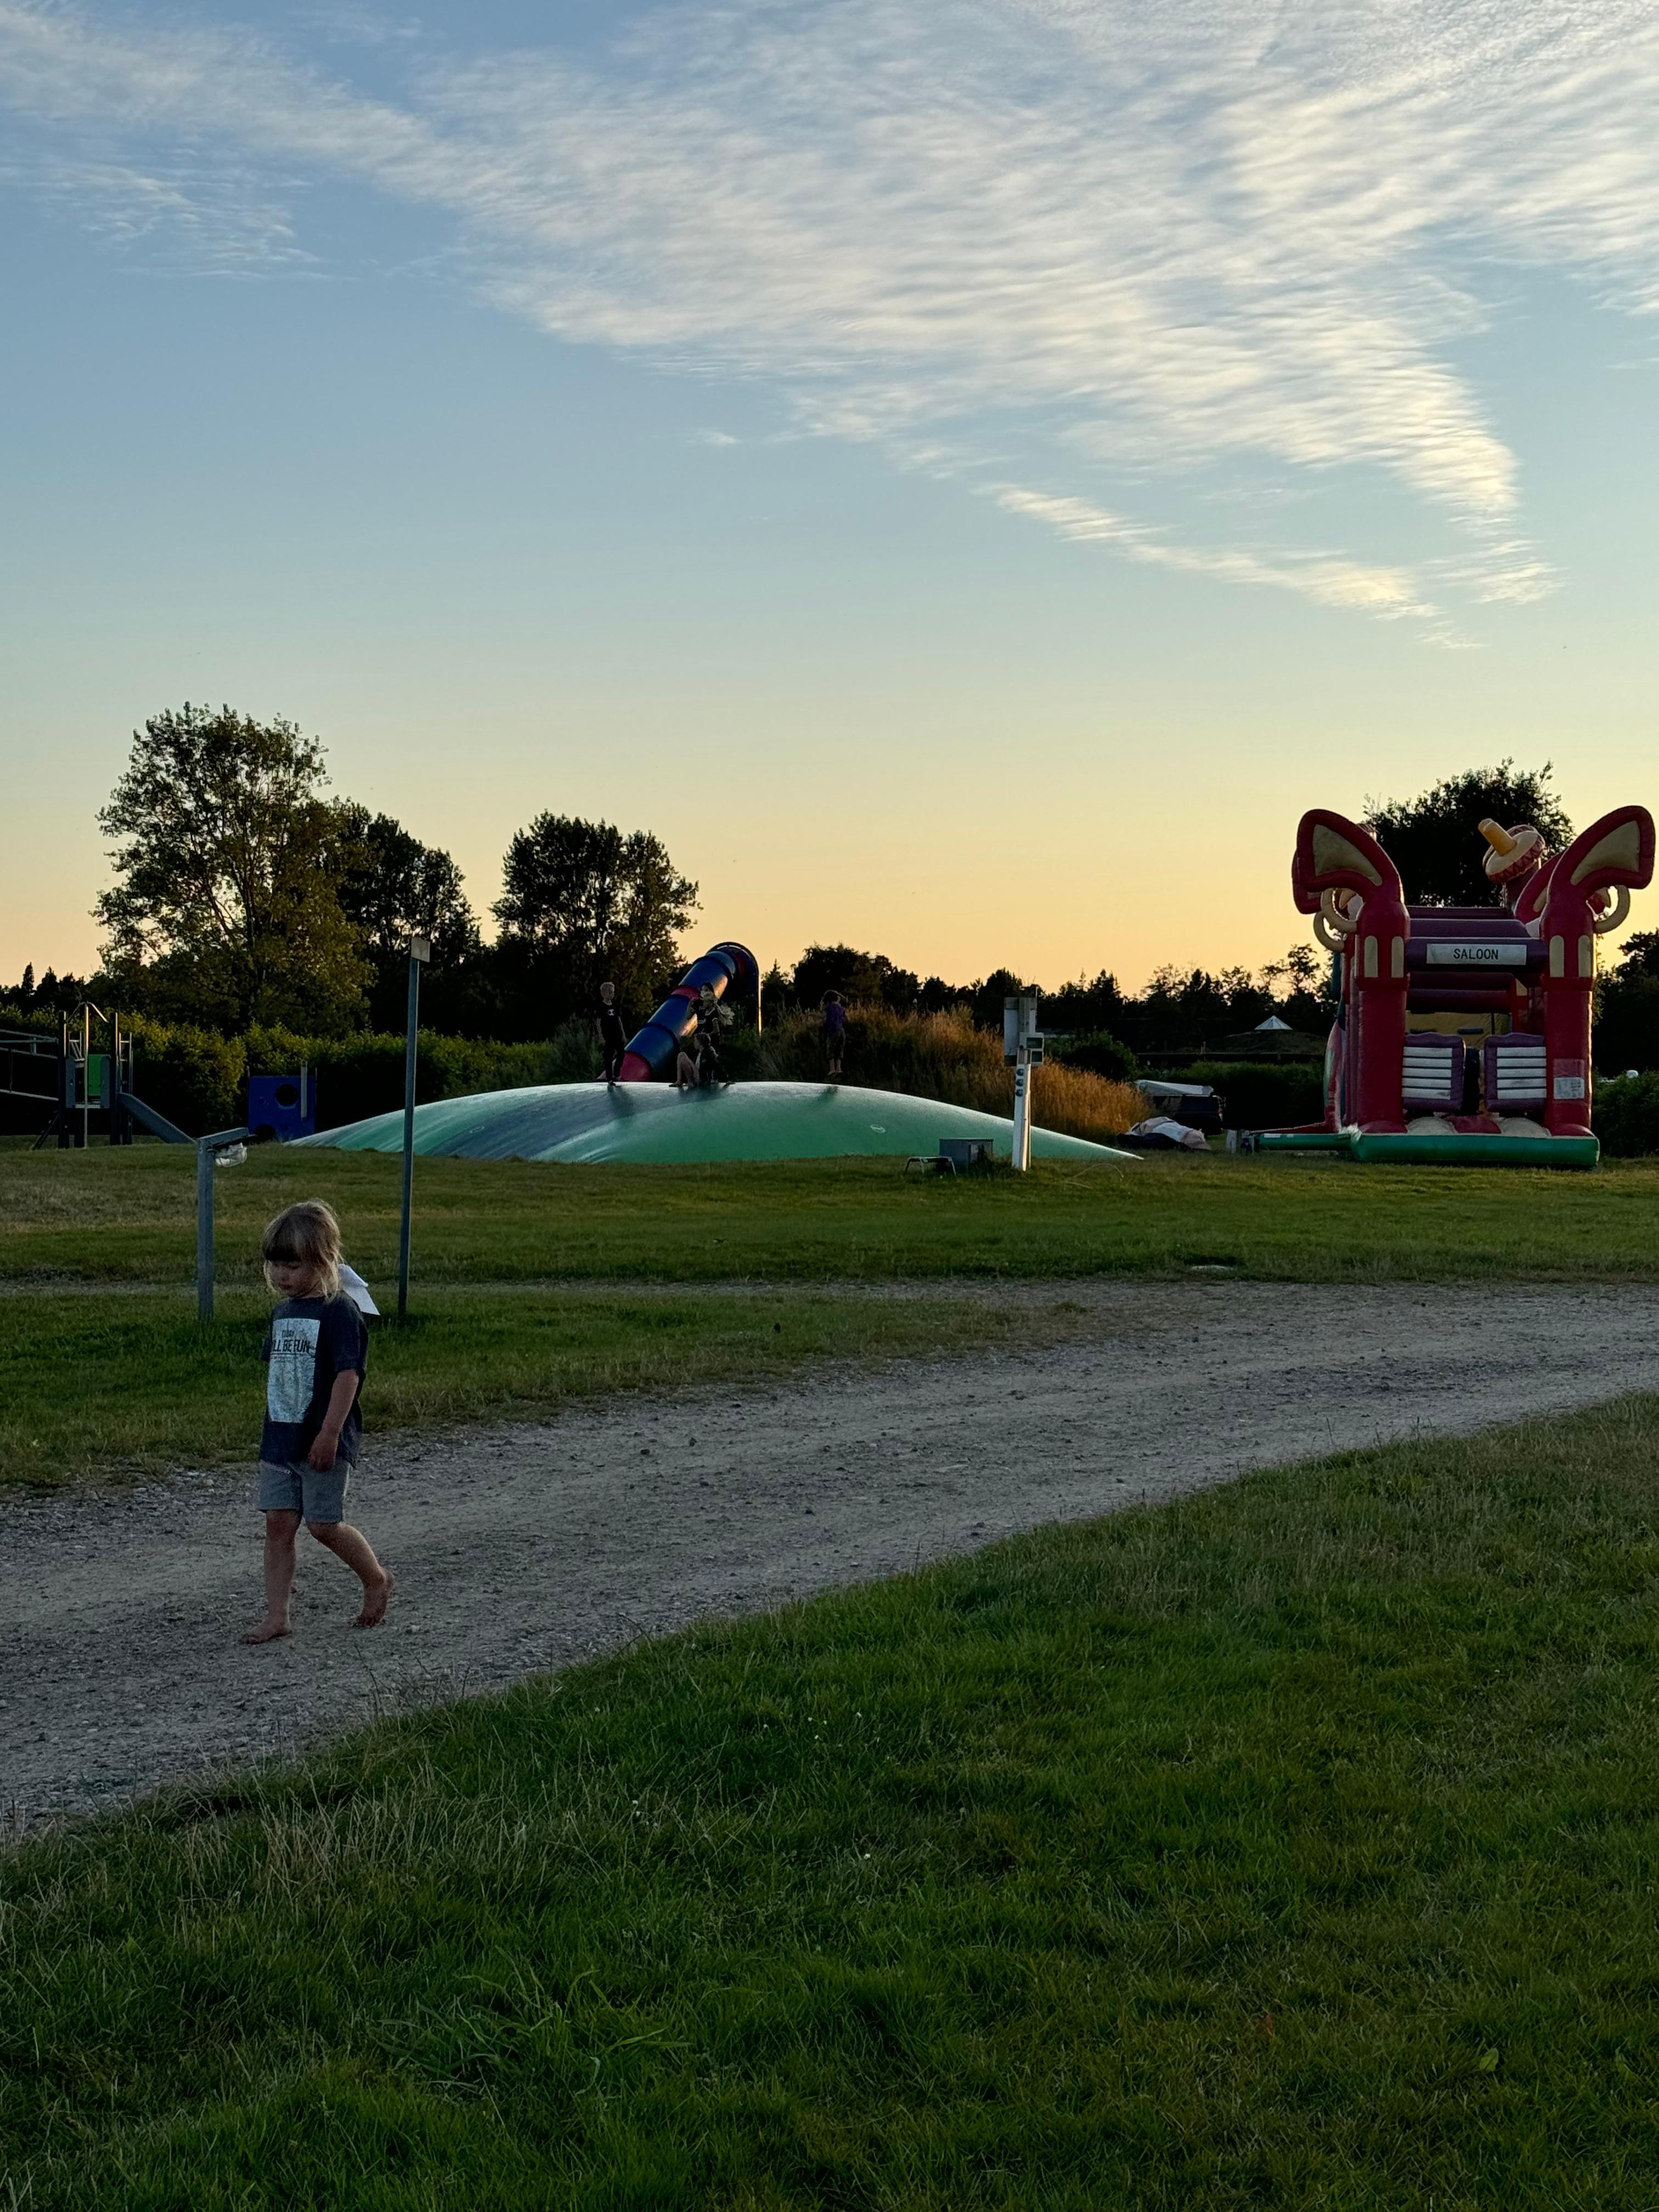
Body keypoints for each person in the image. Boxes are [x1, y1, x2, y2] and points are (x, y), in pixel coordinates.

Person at [241, 1199, 392, 1645]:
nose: (282, 1276)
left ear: (324, 1260)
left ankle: (376, 1578)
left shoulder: (339, 1311)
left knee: (323, 1525)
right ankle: (277, 1615)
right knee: (278, 1525)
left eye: (293, 1265)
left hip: (322, 1440)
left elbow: (349, 1375)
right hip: (280, 1441)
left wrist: (329, 1433)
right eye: (276, 1266)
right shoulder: (282, 1313)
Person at [596, 979, 629, 1084]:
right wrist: (601, 1037)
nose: (612, 994)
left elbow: (619, 1020)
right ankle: (609, 1078)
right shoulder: (601, 1007)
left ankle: (617, 1074)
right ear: (604, 994)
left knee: (621, 1054)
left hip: (617, 1035)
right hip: (608, 1036)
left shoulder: (615, 1006)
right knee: (608, 1057)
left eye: (613, 992)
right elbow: (598, 1022)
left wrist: (623, 1033)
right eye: (610, 992)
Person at [822, 989, 847, 1079]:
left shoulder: (829, 1008)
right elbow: (846, 1019)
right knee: (840, 1049)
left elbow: (824, 1017)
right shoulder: (841, 1009)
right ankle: (839, 1069)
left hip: (833, 1030)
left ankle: (832, 1069)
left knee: (830, 1048)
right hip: (841, 1030)